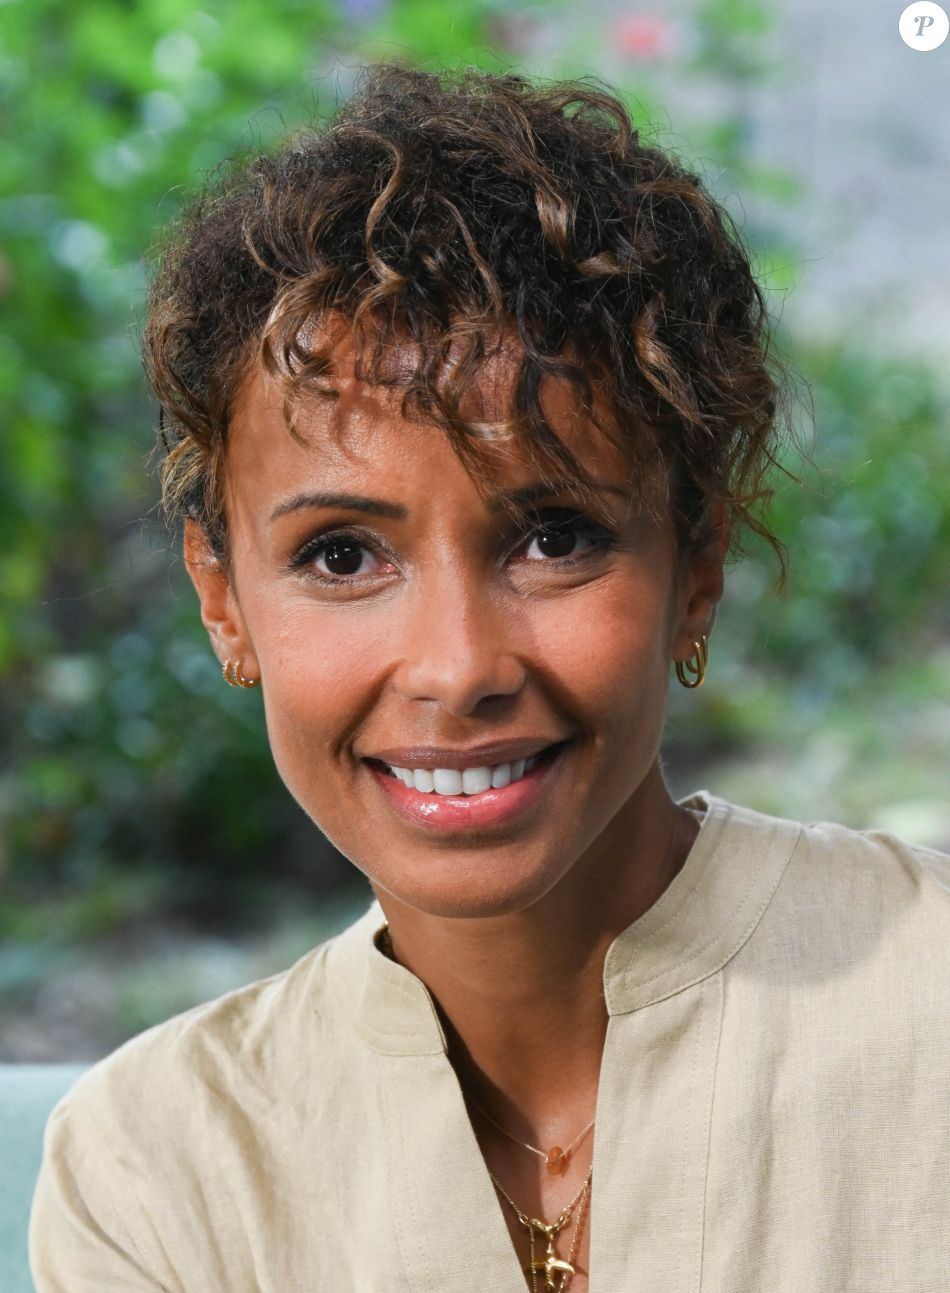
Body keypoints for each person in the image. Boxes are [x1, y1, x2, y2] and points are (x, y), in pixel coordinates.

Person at [29, 62, 950, 1292]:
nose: (457, 667)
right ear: (221, 598)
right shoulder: (162, 1173)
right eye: (341, 554)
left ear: (695, 567)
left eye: (554, 537)